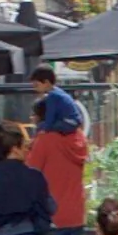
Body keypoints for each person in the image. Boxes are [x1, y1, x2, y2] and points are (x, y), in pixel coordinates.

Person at [23, 68, 91, 224]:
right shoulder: (80, 138)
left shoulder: (45, 139)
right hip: (76, 213)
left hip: (52, 216)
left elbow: (31, 172)